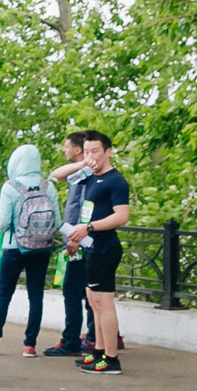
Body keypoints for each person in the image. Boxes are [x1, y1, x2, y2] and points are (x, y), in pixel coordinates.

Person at [64, 129, 132, 373]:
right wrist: (83, 163)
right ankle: (99, 351)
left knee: (104, 302)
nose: (91, 156)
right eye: (87, 151)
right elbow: (58, 175)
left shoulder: (115, 181)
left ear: (108, 152)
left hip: (105, 247)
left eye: (96, 151)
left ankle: (111, 358)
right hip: (91, 247)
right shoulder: (91, 176)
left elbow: (122, 216)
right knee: (93, 301)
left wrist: (89, 227)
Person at [0, 143, 56, 355]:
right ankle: (30, 345)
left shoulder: (10, 187)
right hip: (42, 248)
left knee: (4, 294)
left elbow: (1, 224)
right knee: (36, 295)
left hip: (13, 248)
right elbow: (58, 221)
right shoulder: (48, 186)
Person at [41, 132, 96, 357]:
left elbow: (84, 207)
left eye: (67, 146)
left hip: (81, 240)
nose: (64, 150)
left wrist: (75, 239)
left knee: (74, 291)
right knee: (90, 291)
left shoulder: (87, 175)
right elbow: (57, 175)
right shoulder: (81, 172)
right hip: (82, 239)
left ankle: (72, 341)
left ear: (77, 149)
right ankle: (97, 336)